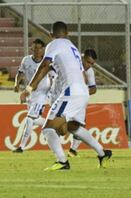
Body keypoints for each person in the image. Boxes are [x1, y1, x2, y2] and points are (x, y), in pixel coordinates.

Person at [20, 21, 111, 170]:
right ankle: (102, 153)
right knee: (73, 127)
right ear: (67, 33)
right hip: (82, 91)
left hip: (71, 92)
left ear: (50, 35)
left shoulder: (54, 44)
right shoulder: (72, 47)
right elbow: (58, 69)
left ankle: (62, 161)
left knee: (48, 128)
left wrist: (28, 88)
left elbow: (44, 65)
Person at [13, 39, 50, 153]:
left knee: (30, 118)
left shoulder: (47, 62)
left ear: (43, 49)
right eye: (34, 48)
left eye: (39, 48)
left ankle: (21, 147)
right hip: (30, 94)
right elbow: (20, 73)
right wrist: (16, 84)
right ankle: (51, 125)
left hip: (42, 93)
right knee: (35, 119)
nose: (36, 50)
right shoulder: (26, 60)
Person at [68, 49, 98, 157]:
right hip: (65, 99)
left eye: (92, 64)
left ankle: (72, 150)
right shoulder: (72, 64)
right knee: (60, 123)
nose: (89, 65)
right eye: (87, 62)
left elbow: (93, 89)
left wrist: (81, 93)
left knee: (79, 125)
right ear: (82, 58)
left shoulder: (89, 71)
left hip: (79, 101)